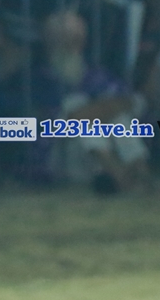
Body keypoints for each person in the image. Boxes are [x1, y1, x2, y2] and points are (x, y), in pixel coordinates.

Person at [26, 11, 150, 192]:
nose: (70, 45)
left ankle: (138, 172)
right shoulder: (39, 79)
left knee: (118, 119)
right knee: (78, 109)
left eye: (75, 39)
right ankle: (119, 175)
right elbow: (67, 121)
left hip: (109, 151)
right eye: (63, 38)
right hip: (63, 159)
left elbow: (131, 102)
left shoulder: (97, 74)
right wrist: (103, 109)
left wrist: (101, 110)